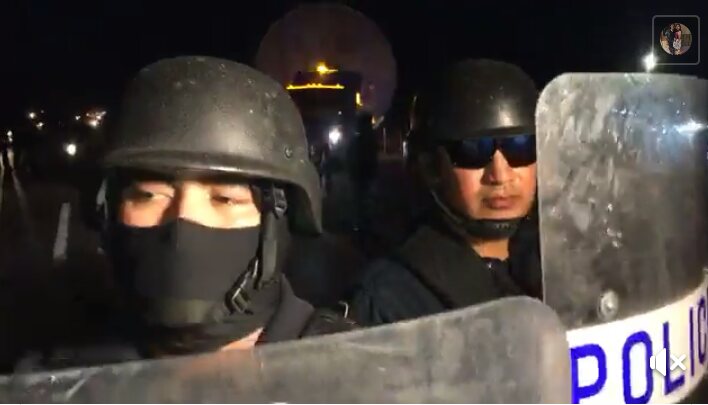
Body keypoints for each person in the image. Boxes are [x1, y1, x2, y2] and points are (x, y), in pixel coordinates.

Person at [14, 56, 356, 371]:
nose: (183, 225)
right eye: (149, 196)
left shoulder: (354, 371)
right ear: (108, 212)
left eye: (225, 199)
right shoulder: (58, 381)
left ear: (278, 222)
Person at [349, 59, 542, 326]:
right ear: (432, 167)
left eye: (521, 146)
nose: (500, 174)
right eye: (473, 150)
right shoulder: (393, 299)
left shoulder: (562, 266)